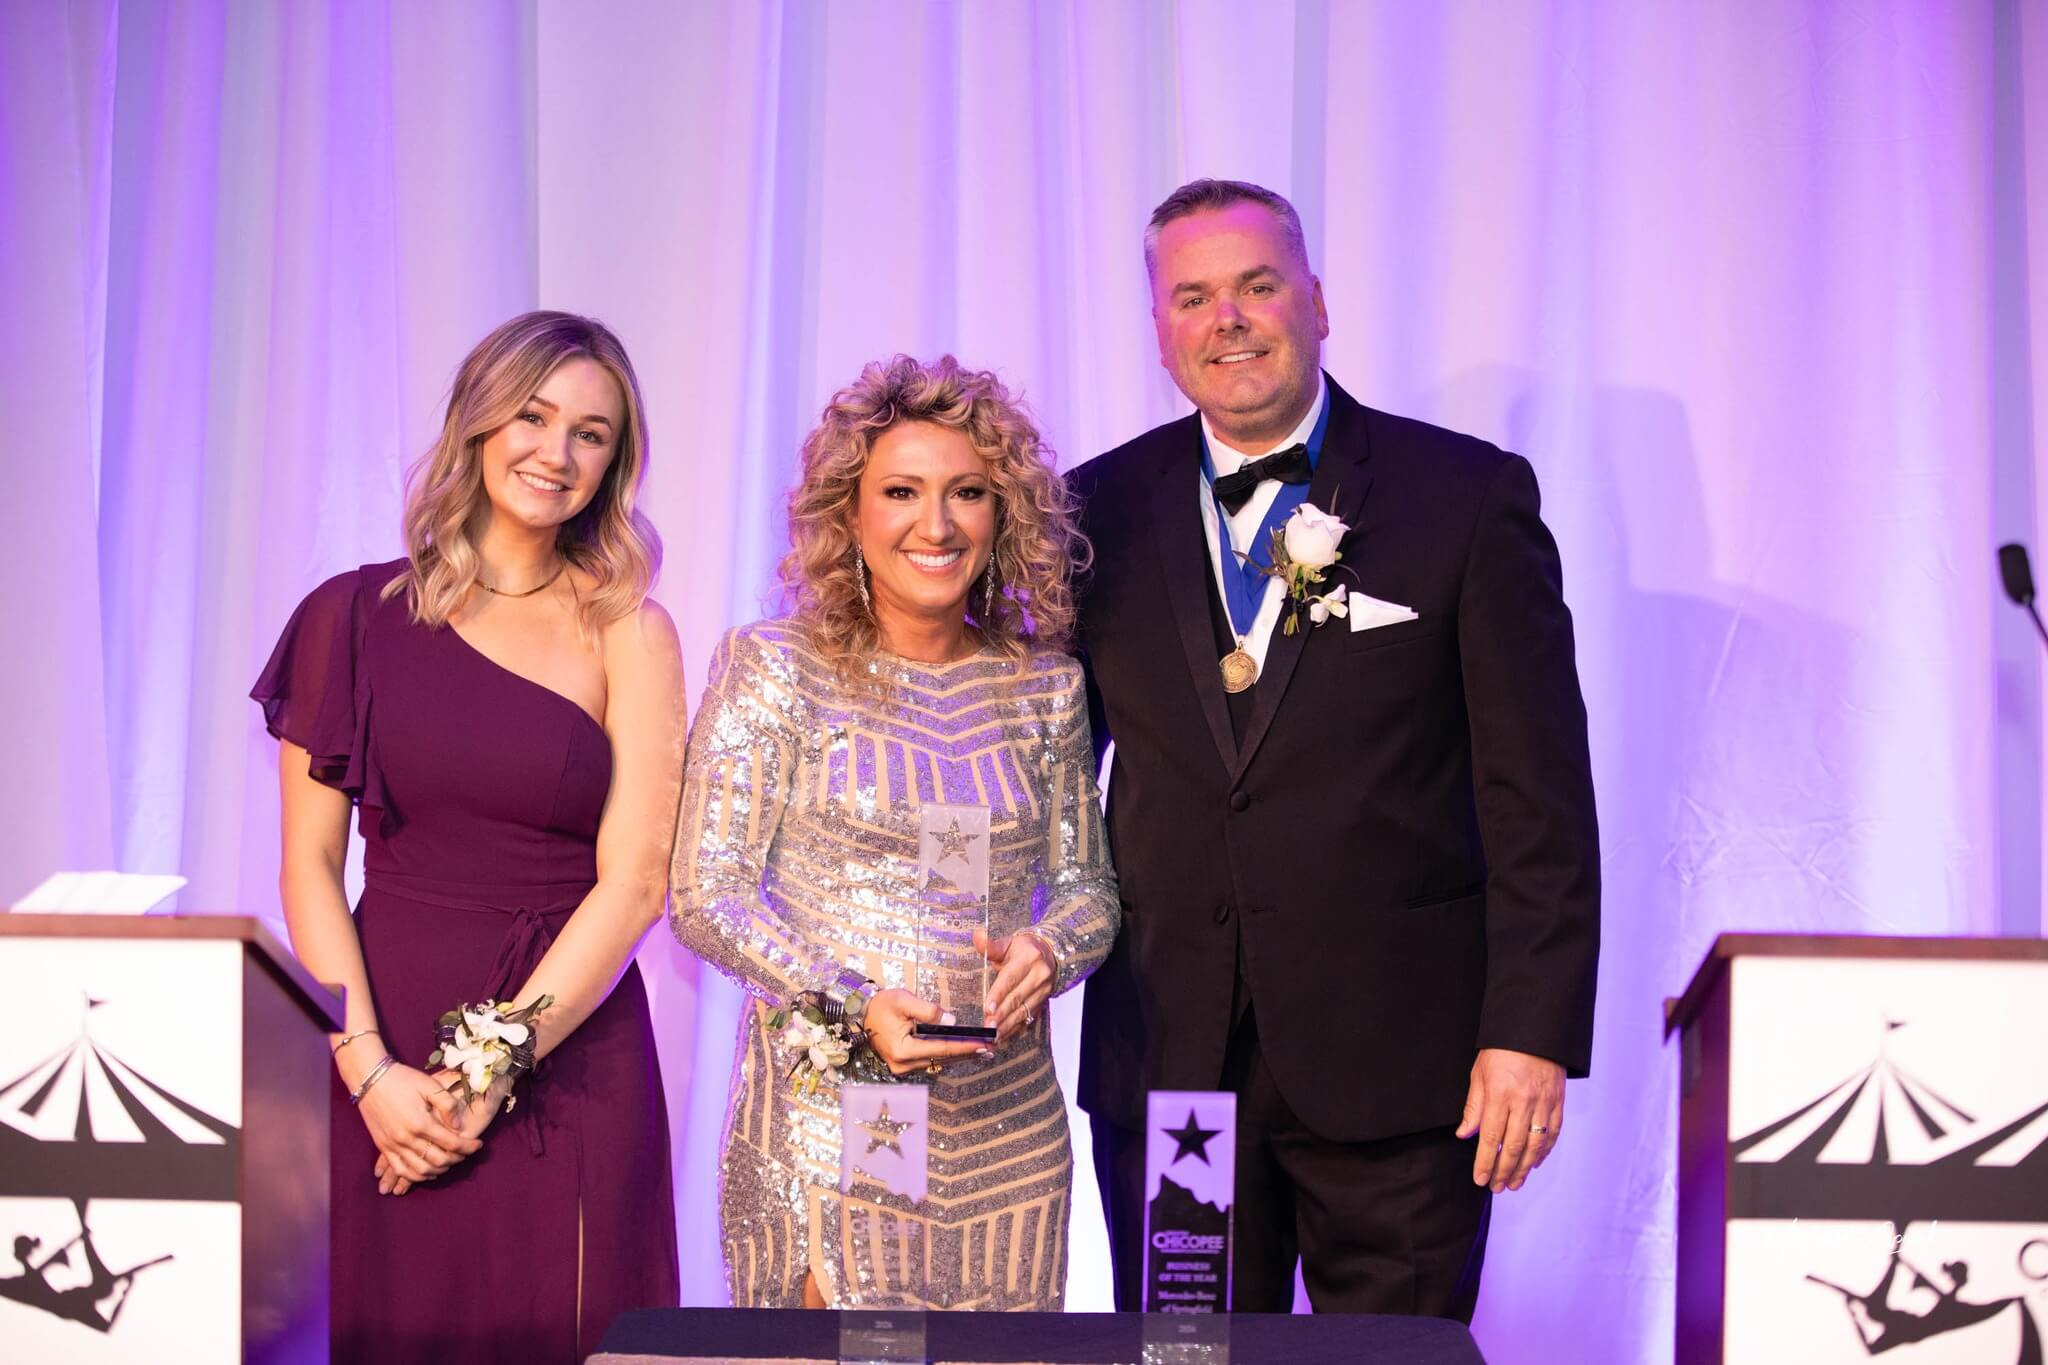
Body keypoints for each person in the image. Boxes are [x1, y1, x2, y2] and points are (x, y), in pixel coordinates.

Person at [1068, 179, 1600, 1318]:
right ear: (1159, 330)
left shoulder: (1463, 498)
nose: (1229, 320)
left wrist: (1529, 1032)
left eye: (1257, 286)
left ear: (1316, 301)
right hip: (1169, 1069)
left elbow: (1536, 794)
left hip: (1405, 1067)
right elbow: (1038, 771)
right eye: (1193, 297)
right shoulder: (1087, 514)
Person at [252, 310, 684, 1361]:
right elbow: (308, 866)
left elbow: (634, 883)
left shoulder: (628, 627)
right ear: (478, 423)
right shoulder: (348, 616)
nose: (558, 452)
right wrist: (369, 1072)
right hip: (378, 1043)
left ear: (614, 462)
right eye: (534, 416)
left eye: (592, 433)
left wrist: (490, 1071)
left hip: (568, 1051)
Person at [670, 354, 1119, 1311]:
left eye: (969, 493)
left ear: (1004, 516)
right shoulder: (777, 668)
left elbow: (1091, 888)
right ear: (851, 512)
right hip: (848, 1109)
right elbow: (707, 896)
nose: (937, 523)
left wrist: (1051, 946)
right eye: (902, 492)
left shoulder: (1045, 685)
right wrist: (850, 998)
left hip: (1008, 1130)